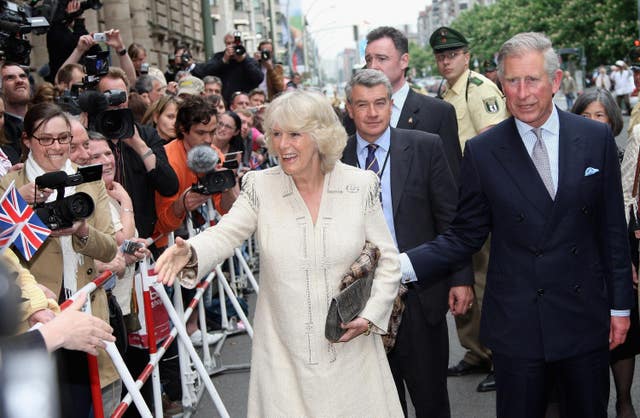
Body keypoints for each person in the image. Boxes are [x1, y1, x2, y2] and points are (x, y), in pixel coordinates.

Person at [404, 32, 633, 418]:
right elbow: (465, 233)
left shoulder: (594, 139)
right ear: (501, 83)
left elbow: (612, 231)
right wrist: (404, 265)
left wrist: (621, 309)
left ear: (556, 82)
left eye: (532, 80)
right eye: (512, 81)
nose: (522, 92)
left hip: (583, 315)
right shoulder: (484, 150)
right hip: (518, 324)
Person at [155, 90, 403, 417]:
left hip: (350, 350)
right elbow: (227, 232)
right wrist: (191, 252)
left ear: (321, 136)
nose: (283, 145)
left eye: (295, 134)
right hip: (283, 356)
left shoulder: (360, 185)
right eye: (276, 134)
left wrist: (370, 314)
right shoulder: (260, 186)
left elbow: (388, 261)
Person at [342, 69, 473, 418]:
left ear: (390, 105)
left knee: (430, 399)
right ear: (349, 109)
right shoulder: (334, 159)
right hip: (362, 300)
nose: (372, 112)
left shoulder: (424, 146)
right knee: (381, 403)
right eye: (363, 104)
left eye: (380, 103)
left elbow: (450, 219)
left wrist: (461, 278)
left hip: (419, 293)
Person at [0, 102, 120, 418]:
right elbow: (4, 255)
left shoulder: (88, 180)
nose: (57, 147)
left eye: (63, 138)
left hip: (86, 308)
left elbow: (109, 250)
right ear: (26, 140)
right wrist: (20, 205)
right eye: (46, 139)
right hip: (36, 316)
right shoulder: (8, 186)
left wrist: (81, 230)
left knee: (94, 406)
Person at [430, 26, 510, 392]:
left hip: (481, 197)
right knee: (461, 277)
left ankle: (500, 355)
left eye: (452, 54)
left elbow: (492, 138)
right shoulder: (445, 91)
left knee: (486, 278)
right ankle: (475, 350)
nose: (446, 60)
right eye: (441, 55)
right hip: (459, 199)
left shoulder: (479, 88)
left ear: (466, 55)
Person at [345, 26, 462, 181]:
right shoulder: (355, 115)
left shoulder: (438, 113)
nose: (372, 67)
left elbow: (452, 182)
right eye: (368, 60)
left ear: (404, 61)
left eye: (381, 58)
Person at [97, 67, 179, 239]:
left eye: (121, 95)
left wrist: (139, 145)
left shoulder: (146, 135)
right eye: (108, 95)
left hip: (143, 238)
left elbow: (169, 186)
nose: (116, 101)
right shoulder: (90, 138)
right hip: (105, 235)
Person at [191, 31, 264, 104]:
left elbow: (258, 78)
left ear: (240, 44)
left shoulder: (249, 61)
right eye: (229, 43)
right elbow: (205, 72)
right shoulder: (219, 57)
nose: (232, 46)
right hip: (221, 101)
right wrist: (223, 60)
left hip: (242, 102)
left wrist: (244, 60)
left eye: (234, 43)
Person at [2, 63, 31, 164]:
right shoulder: (2, 129)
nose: (19, 81)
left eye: (23, 76)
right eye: (10, 78)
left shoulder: (44, 119)